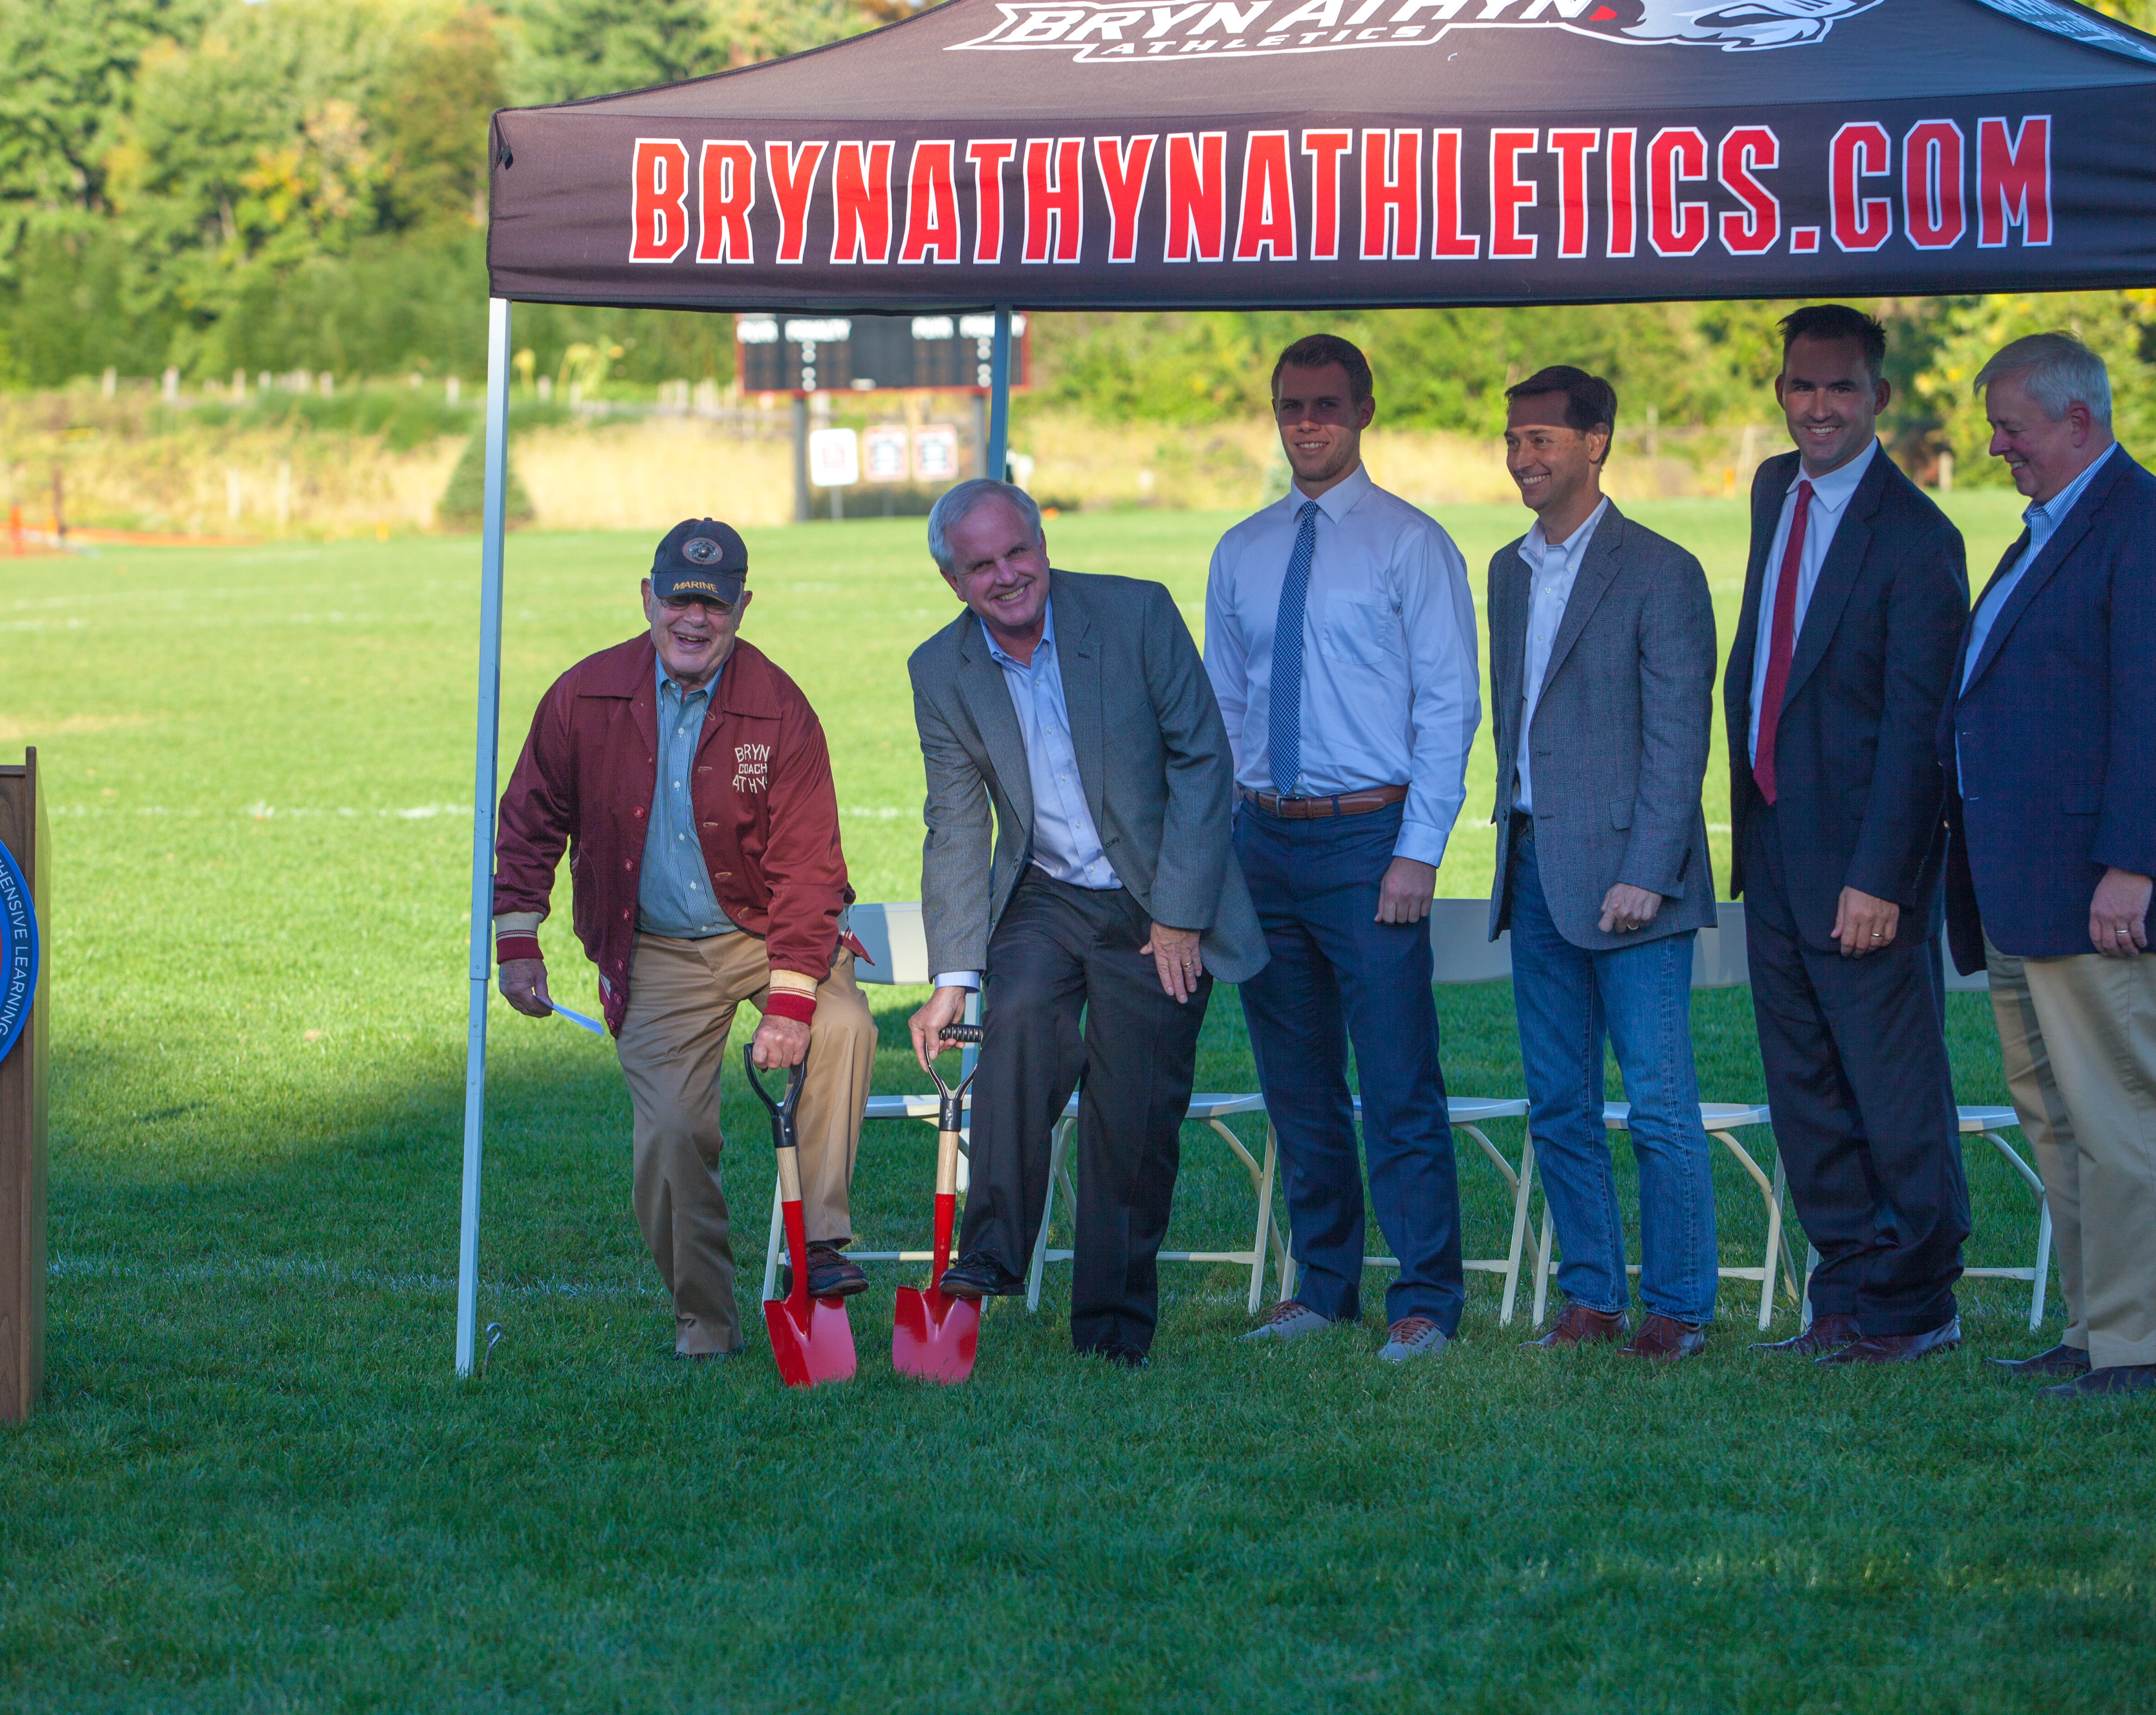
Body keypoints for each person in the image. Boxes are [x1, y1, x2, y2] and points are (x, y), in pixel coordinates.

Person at [490, 519, 874, 1358]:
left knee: (843, 1026)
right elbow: (528, 820)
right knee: (670, 1134)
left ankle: (823, 1243)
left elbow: (810, 866)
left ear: (743, 606)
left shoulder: (780, 707)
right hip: (653, 944)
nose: (693, 619)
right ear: (647, 597)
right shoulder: (583, 695)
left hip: (770, 929)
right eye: (677, 599)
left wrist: (790, 1001)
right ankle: (707, 1321)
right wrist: (518, 938)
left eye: (714, 603)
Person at [906, 478, 1265, 1367]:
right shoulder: (939, 669)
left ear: (1042, 544)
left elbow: (1203, 760)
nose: (1006, 576)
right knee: (1021, 1019)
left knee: (1132, 1108)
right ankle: (988, 1256)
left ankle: (1111, 1329)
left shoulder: (1136, 614)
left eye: (1016, 552)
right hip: (1047, 894)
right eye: (980, 566)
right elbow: (956, 823)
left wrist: (1179, 916)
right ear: (954, 581)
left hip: (1155, 894)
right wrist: (954, 977)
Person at [1943, 333, 2156, 1401]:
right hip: (2032, 894)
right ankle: (2096, 1325)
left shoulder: (2149, 526)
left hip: (2108, 897)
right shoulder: (2047, 530)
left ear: (2079, 420)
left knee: (2125, 1119)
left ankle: (2148, 1343)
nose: (1995, 445)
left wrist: (2133, 867)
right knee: (2062, 1122)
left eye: (2011, 425)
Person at [1204, 334, 1481, 1363]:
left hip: (1371, 840)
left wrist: (1418, 851)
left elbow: (1450, 705)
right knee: (1297, 1079)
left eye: (1325, 405)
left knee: (1400, 1078)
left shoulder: (1411, 543)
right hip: (1265, 841)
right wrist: (1231, 833)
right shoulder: (1242, 548)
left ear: (1364, 410)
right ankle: (1324, 1287)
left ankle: (1426, 1297)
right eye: (1289, 407)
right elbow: (1225, 701)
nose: (1306, 424)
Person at [1724, 305, 1974, 1365]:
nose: (1817, 406)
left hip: (1865, 866)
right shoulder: (1773, 488)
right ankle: (1844, 1294)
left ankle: (1916, 1303)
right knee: (1808, 1088)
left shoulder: (1920, 539)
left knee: (1892, 1089)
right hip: (1777, 846)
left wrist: (1882, 879)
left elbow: (1924, 731)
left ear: (1879, 396)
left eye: (1839, 388)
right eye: (1800, 385)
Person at [1486, 366, 1722, 1361]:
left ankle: (1678, 1307)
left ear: (1597, 443)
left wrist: (1648, 868)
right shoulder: (1505, 569)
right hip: (1533, 868)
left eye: (1543, 439)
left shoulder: (1661, 570)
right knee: (1559, 1103)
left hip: (1636, 883)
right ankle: (1590, 1296)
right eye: (1513, 439)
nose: (1523, 458)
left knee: (1659, 1106)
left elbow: (1680, 738)